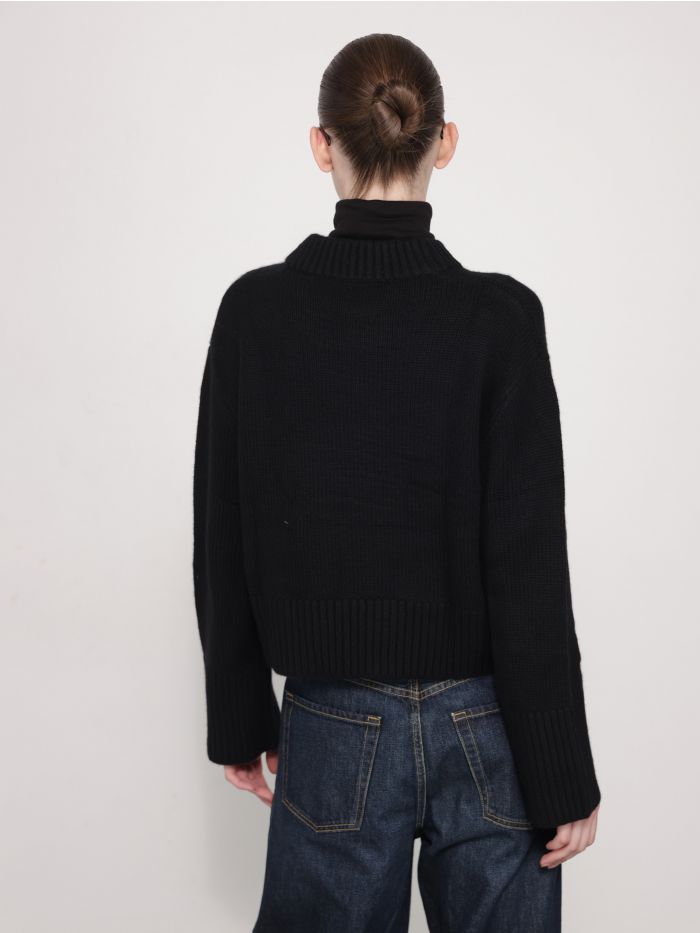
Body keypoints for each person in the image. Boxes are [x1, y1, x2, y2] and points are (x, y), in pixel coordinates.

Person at [192, 32, 601, 933]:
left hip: (334, 721)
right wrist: (562, 767)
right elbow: (529, 561)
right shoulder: (501, 317)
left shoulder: (256, 311)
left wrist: (238, 714)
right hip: (490, 722)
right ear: (444, 141)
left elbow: (223, 526)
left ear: (321, 144)